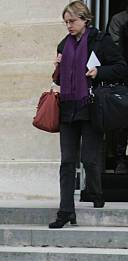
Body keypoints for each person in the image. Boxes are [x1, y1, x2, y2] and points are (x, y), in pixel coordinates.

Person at [49, 1, 128, 229]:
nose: (69, 26)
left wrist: (98, 71)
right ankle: (65, 211)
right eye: (66, 22)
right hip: (68, 107)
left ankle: (96, 192)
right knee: (66, 161)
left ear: (85, 19)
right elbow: (59, 80)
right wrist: (56, 68)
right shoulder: (63, 44)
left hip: (90, 106)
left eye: (72, 21)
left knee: (90, 159)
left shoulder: (100, 41)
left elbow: (121, 67)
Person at [108, 3, 128, 174]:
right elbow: (115, 51)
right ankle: (120, 159)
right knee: (122, 119)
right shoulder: (120, 19)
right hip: (124, 76)